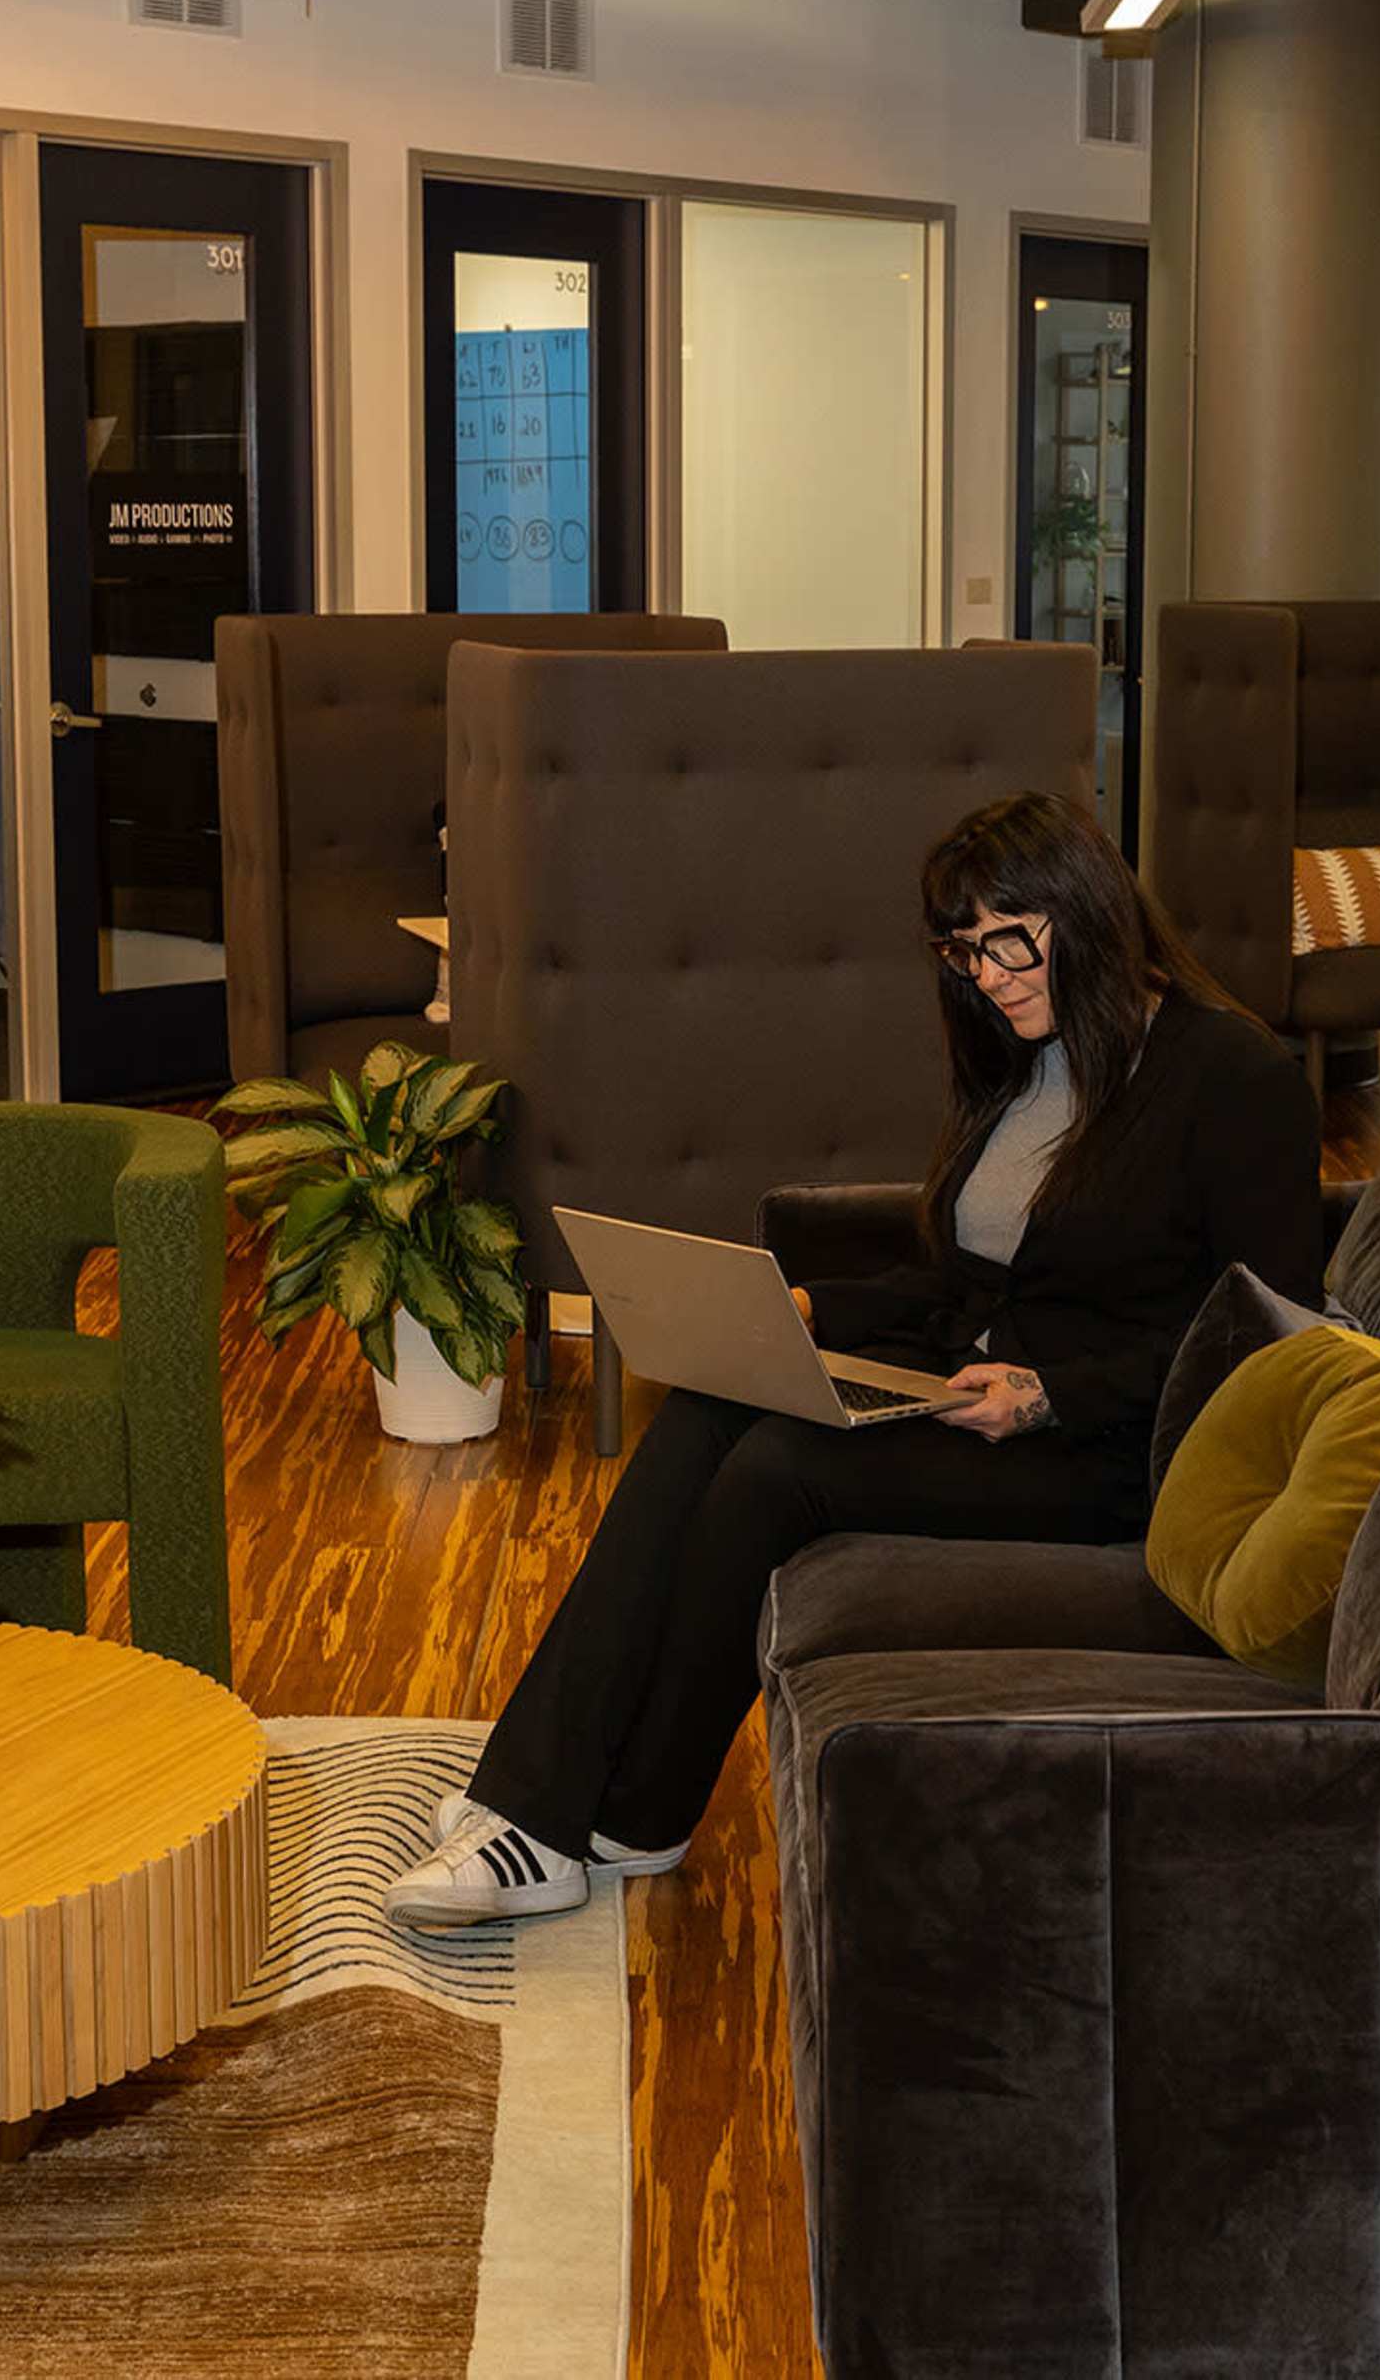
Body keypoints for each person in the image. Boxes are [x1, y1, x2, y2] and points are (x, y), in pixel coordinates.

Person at [384, 789, 1322, 1928]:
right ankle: (577, 1808)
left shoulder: (1235, 1077)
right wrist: (810, 1308)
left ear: (1091, 906)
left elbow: (1274, 1331)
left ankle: (595, 1810)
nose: (990, 973)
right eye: (965, 950)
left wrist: (1052, 1395)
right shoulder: (1025, 1065)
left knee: (782, 1470)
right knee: (709, 1409)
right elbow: (964, 1280)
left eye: (1012, 937)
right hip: (977, 1399)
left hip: (1117, 1451)